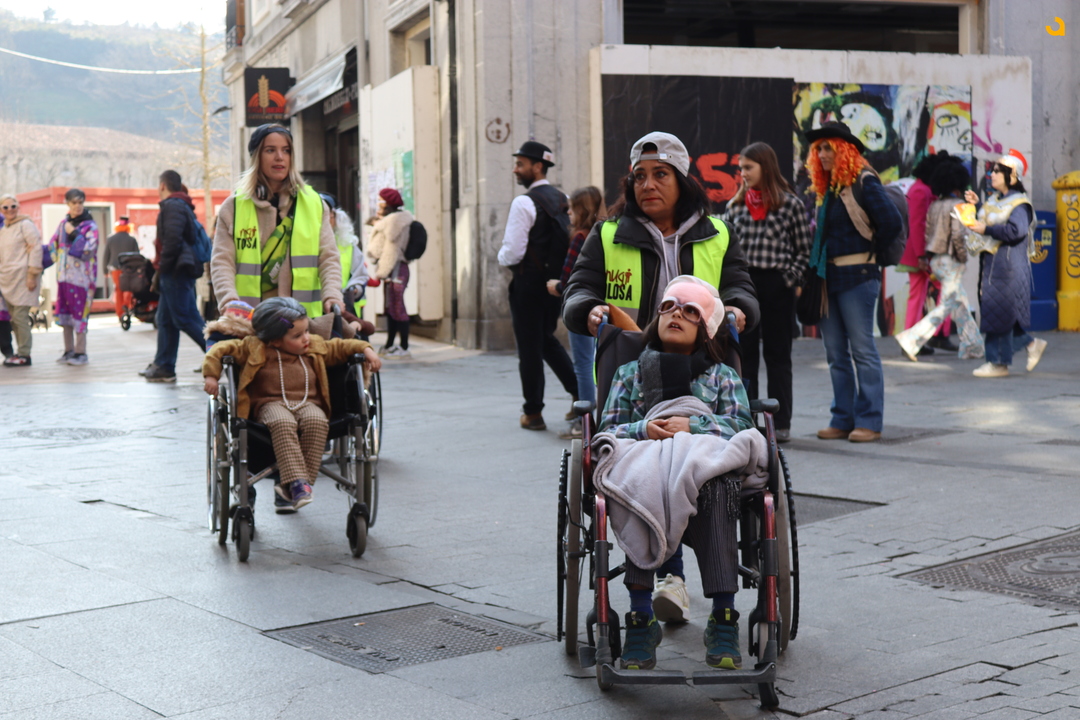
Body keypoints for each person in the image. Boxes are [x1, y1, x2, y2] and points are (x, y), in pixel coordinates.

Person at [563, 131, 759, 623]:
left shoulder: (717, 233)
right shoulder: (609, 234)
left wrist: (738, 308)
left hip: (703, 361)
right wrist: (587, 309)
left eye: (660, 175)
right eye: (639, 177)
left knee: (698, 464)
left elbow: (741, 286)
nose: (648, 185)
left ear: (682, 179)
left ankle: (694, 593)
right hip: (636, 359)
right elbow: (578, 288)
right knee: (648, 462)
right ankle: (665, 580)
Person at [595, 276, 756, 671]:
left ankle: (723, 617)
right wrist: (644, 429)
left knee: (719, 485)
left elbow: (742, 427)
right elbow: (608, 431)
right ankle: (640, 617)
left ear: (706, 328)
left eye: (690, 310)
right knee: (640, 482)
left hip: (704, 473)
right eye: (668, 307)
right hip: (645, 466)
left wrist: (693, 426)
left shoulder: (722, 376)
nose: (676, 315)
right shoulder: (629, 373)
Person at [202, 297, 382, 510]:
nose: (306, 338)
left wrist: (367, 350)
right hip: (270, 404)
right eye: (297, 336)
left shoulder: (314, 346)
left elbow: (344, 346)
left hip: (307, 403)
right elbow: (219, 350)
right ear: (274, 341)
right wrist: (211, 376)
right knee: (283, 422)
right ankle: (296, 483)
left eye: (306, 331)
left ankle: (295, 484)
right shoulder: (254, 347)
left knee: (318, 422)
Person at [804, 122, 902, 443]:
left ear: (844, 150)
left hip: (858, 276)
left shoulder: (864, 180)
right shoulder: (828, 187)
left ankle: (870, 420)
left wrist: (871, 252)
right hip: (827, 278)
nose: (822, 154)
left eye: (828, 148)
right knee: (835, 353)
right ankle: (842, 418)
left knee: (862, 349)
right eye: (818, 149)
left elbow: (891, 222)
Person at [722, 142, 812, 443]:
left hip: (777, 286)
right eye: (741, 168)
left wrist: (788, 279)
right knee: (743, 356)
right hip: (744, 286)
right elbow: (725, 251)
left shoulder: (790, 204)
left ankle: (780, 423)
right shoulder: (734, 206)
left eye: (748, 167)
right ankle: (745, 420)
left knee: (778, 356)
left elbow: (804, 250)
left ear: (766, 166)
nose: (743, 173)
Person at [210, 123, 342, 323]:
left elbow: (328, 257)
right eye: (270, 150)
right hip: (251, 319)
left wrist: (332, 295)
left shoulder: (314, 204)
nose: (280, 157)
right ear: (257, 157)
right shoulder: (234, 207)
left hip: (302, 322)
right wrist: (229, 301)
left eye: (286, 150)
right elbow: (222, 261)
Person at [497, 141, 578, 430]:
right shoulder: (563, 198)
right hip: (554, 285)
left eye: (520, 164)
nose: (515, 170)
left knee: (530, 348)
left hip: (528, 284)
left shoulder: (524, 202)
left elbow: (513, 252)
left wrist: (501, 257)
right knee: (545, 339)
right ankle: (580, 393)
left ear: (538, 166)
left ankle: (533, 413)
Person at [963, 150, 1047, 378]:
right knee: (999, 314)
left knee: (997, 315)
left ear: (1012, 176)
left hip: (1007, 268)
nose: (992, 174)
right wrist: (976, 205)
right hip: (994, 265)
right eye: (993, 170)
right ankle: (1030, 344)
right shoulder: (995, 199)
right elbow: (991, 217)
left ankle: (998, 363)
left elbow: (1016, 231)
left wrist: (986, 229)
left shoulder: (1020, 204)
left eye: (998, 171)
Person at [894, 158, 984, 362]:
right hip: (951, 260)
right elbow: (959, 236)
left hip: (936, 260)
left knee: (960, 304)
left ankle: (973, 346)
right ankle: (911, 339)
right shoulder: (960, 206)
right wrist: (963, 258)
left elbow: (926, 231)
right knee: (947, 305)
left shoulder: (935, 205)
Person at [547, 186, 606, 438]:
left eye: (571, 208)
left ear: (582, 209)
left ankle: (584, 422)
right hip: (602, 306)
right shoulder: (604, 234)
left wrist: (557, 286)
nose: (568, 213)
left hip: (582, 308)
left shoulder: (581, 237)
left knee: (582, 364)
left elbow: (572, 278)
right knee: (599, 363)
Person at [142, 170, 208, 383]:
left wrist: (162, 267)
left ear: (162, 185)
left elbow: (172, 240)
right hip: (175, 271)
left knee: (185, 318)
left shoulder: (173, 206)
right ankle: (164, 366)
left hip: (176, 272)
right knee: (165, 319)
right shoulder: (180, 205)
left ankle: (222, 355)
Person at [898, 153, 955, 354]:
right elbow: (918, 224)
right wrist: (922, 255)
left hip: (917, 252)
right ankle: (937, 334)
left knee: (920, 293)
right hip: (920, 253)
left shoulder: (920, 189)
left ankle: (914, 339)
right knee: (943, 288)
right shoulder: (922, 191)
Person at [47, 188, 99, 365]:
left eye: (80, 202)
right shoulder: (63, 224)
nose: (77, 206)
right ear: (67, 204)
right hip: (63, 277)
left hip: (82, 280)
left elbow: (89, 250)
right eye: (74, 202)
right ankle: (68, 350)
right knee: (65, 314)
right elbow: (53, 245)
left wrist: (75, 234)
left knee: (80, 314)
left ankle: (81, 352)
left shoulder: (90, 226)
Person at [366, 188, 415, 358]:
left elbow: (389, 250)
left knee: (398, 307)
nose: (378, 205)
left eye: (381, 201)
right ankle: (390, 344)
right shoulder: (395, 220)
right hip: (393, 269)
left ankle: (404, 346)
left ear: (388, 204)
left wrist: (382, 272)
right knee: (391, 308)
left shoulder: (394, 223)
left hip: (395, 269)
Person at [0, 194, 43, 366]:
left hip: (24, 279)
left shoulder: (26, 225)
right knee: (14, 319)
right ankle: (19, 353)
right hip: (8, 280)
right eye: (6, 207)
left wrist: (32, 274)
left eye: (13, 206)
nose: (10, 210)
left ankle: (25, 354)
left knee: (20, 317)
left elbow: (36, 248)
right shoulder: (4, 229)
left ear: (18, 207)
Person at [103, 216, 140, 323]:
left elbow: (106, 256)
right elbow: (137, 255)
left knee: (118, 290)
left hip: (115, 269)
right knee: (129, 289)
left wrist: (105, 270)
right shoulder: (132, 239)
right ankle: (127, 306)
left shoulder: (111, 239)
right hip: (129, 269)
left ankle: (120, 313)